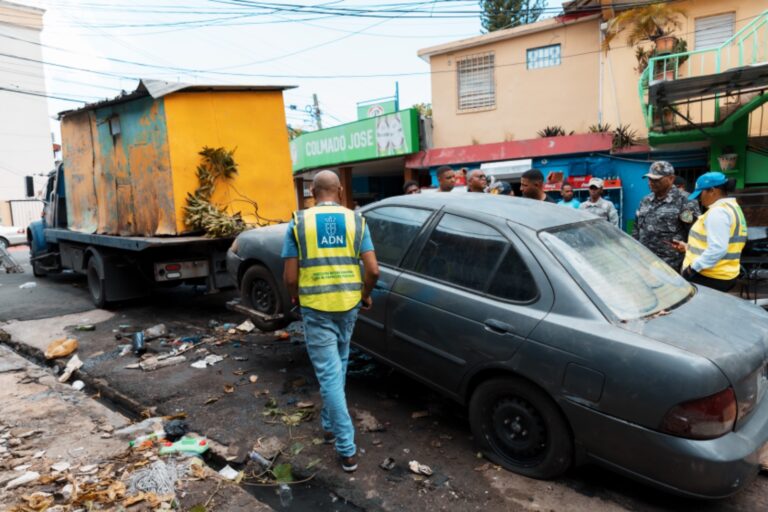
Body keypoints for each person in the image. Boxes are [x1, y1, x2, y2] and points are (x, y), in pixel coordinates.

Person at [282, 170, 380, 473]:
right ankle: (328, 424)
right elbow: (373, 271)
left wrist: (295, 297)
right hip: (348, 305)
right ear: (339, 190)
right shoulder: (357, 220)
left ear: (312, 190)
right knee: (337, 367)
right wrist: (364, 295)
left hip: (316, 306)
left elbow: (289, 277)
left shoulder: (299, 222)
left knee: (329, 375)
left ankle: (346, 449)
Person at [673, 172, 747, 292]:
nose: (699, 199)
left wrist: (692, 269)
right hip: (724, 273)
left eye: (701, 193)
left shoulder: (717, 212)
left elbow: (718, 248)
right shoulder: (733, 208)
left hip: (709, 275)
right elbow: (724, 243)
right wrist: (688, 247)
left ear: (713, 191)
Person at [632, 161, 700, 270]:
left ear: (671, 179)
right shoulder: (645, 200)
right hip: (645, 262)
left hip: (671, 265)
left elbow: (694, 232)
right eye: (649, 179)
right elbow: (637, 228)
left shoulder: (685, 201)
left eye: (656, 179)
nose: (651, 182)